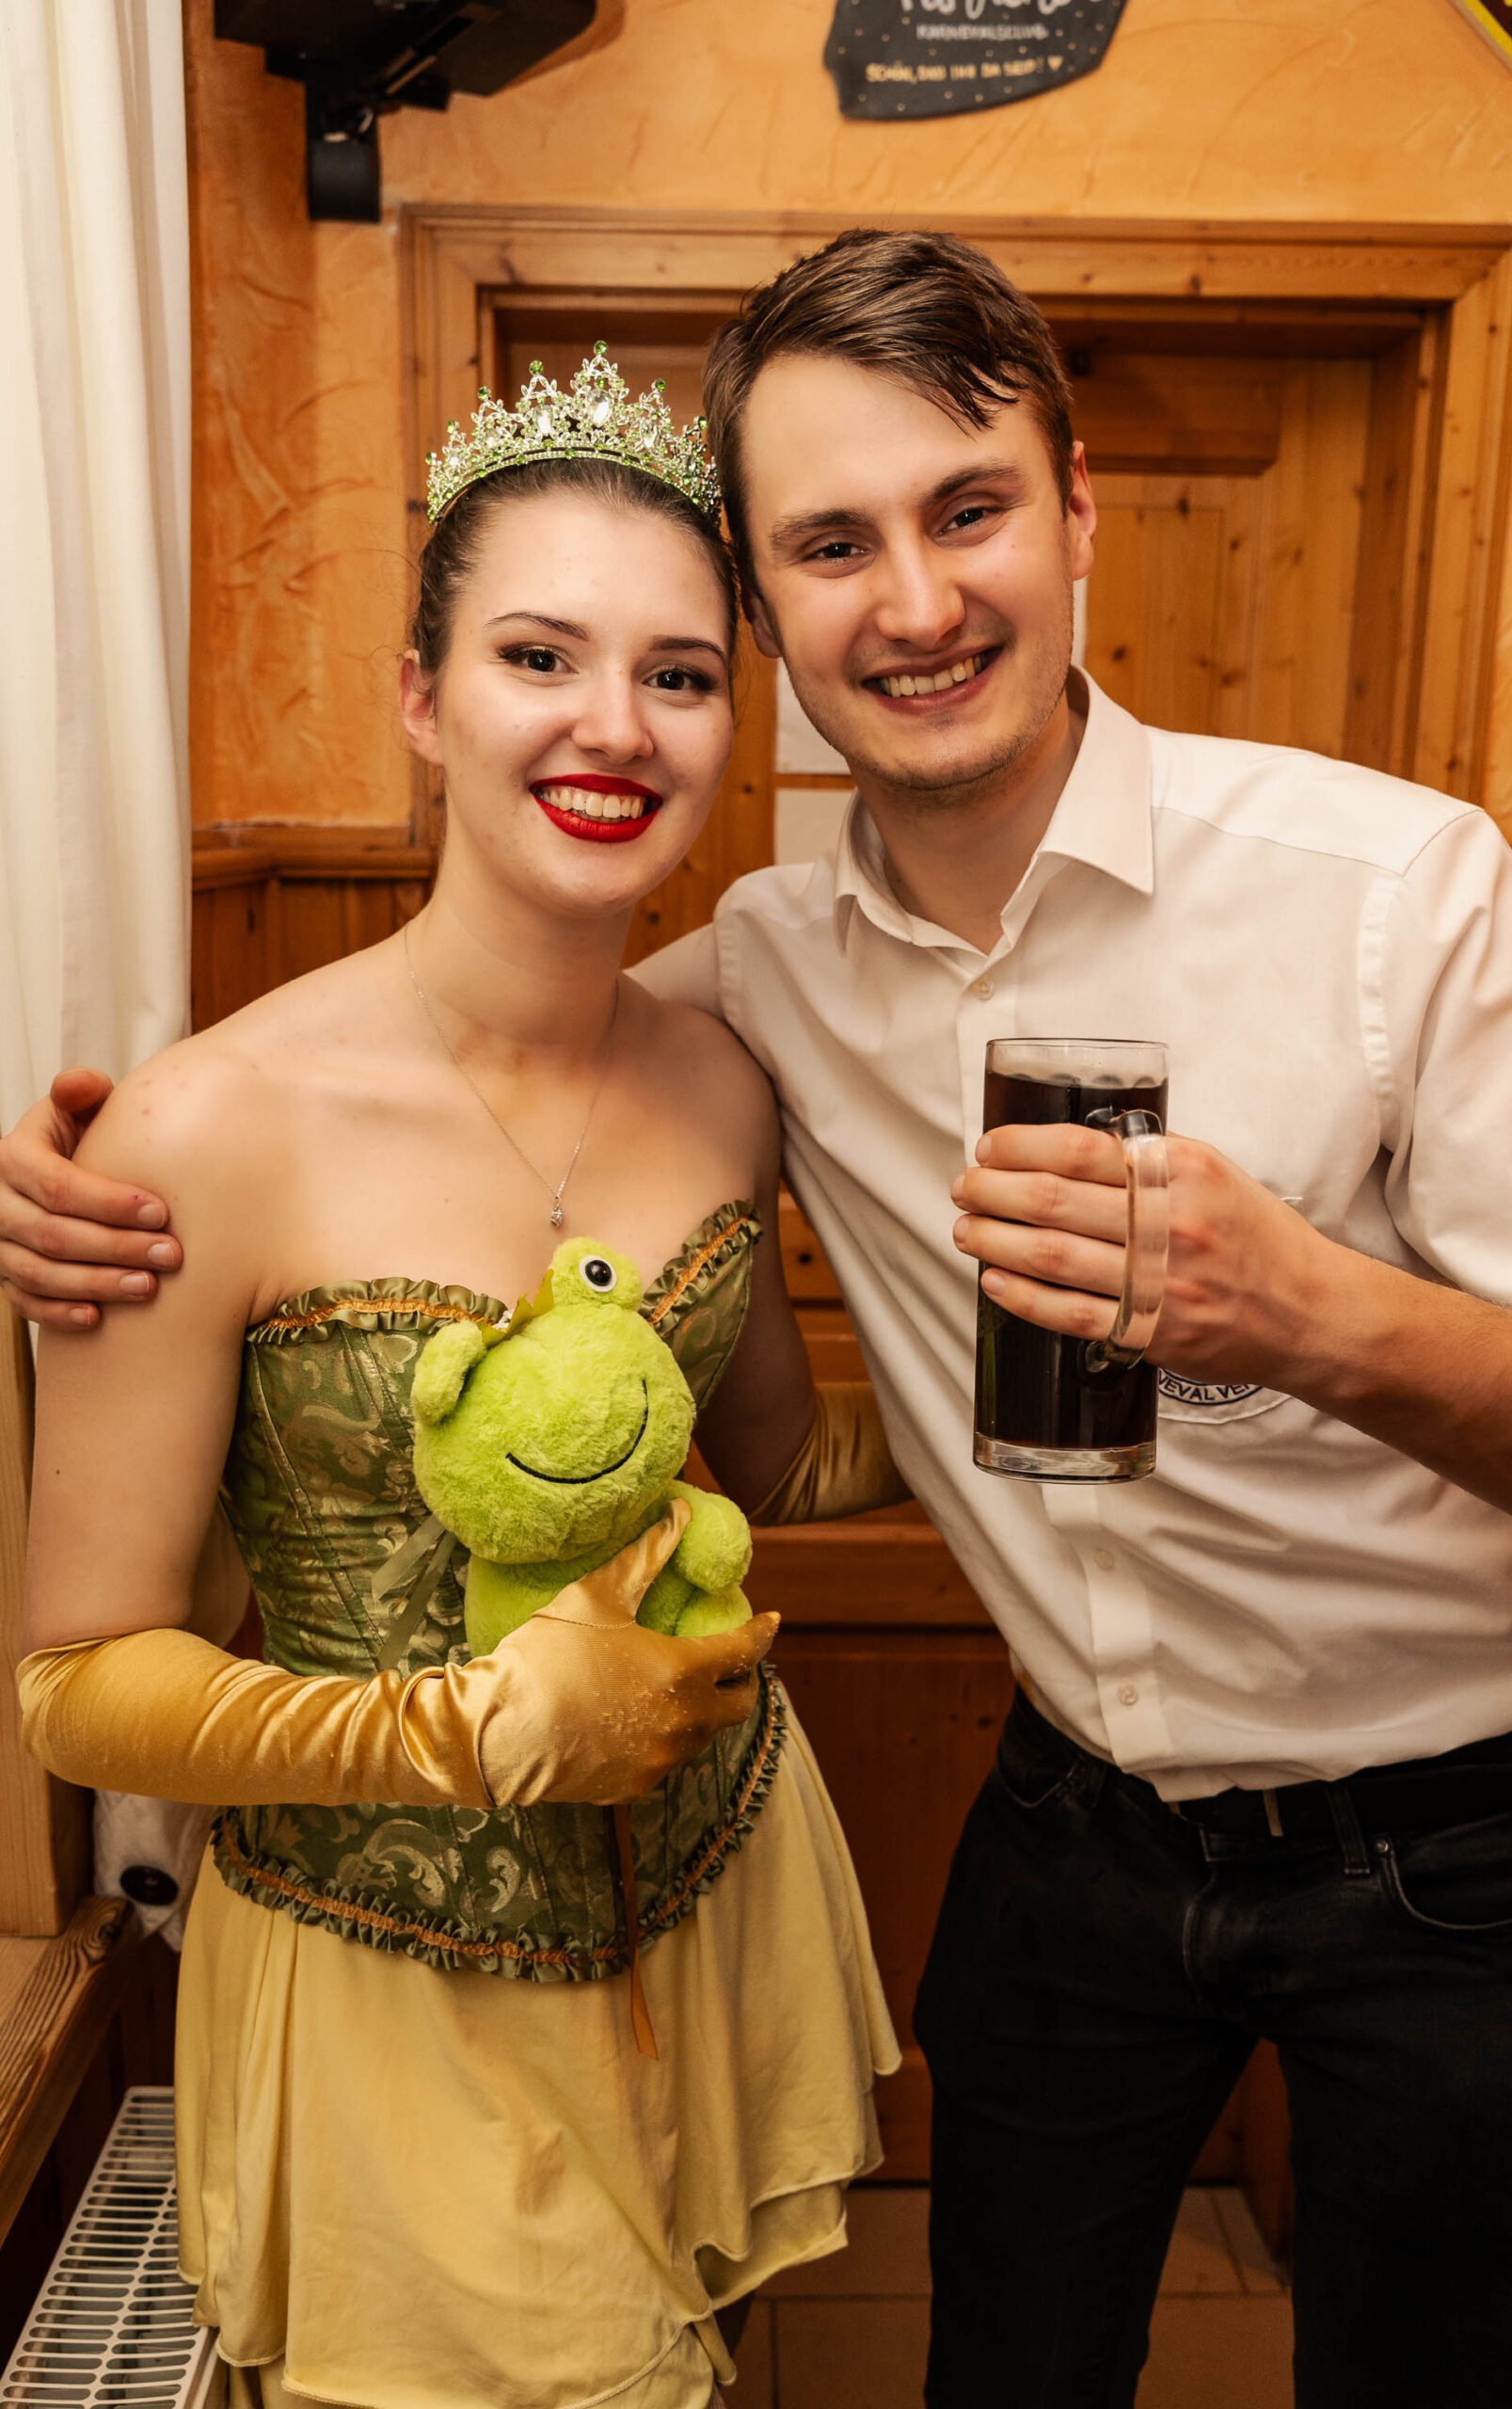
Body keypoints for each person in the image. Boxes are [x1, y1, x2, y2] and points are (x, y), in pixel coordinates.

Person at [10, 231, 1512, 2407]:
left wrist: (1305, 1311)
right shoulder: (753, 984)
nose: (915, 598)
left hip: (1460, 1848)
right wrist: (90, 1176)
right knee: (999, 2367)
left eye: (967, 509)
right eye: (830, 545)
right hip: (1065, 1834)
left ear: (1073, 511)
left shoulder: (1383, 896)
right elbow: (458, 1075)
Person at [12, 352, 900, 2409]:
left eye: (680, 674)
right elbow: (75, 1680)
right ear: (422, 698)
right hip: (390, 1979)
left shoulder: (720, 1079)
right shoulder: (205, 1125)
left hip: (714, 1896)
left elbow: (779, 1461)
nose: (615, 725)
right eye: (537, 655)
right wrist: (462, 1731)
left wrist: (1083, 1386)